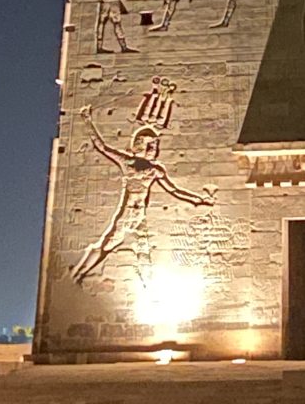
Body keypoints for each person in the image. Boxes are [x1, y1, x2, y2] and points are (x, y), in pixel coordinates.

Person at [72, 106, 215, 285]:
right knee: (107, 246)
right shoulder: (128, 162)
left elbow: (174, 190)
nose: (154, 149)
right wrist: (87, 121)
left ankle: (147, 284)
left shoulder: (155, 170)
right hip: (127, 214)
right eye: (151, 145)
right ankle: (81, 272)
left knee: (144, 250)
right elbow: (102, 147)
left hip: (140, 215)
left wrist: (199, 200)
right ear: (141, 145)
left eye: (155, 146)